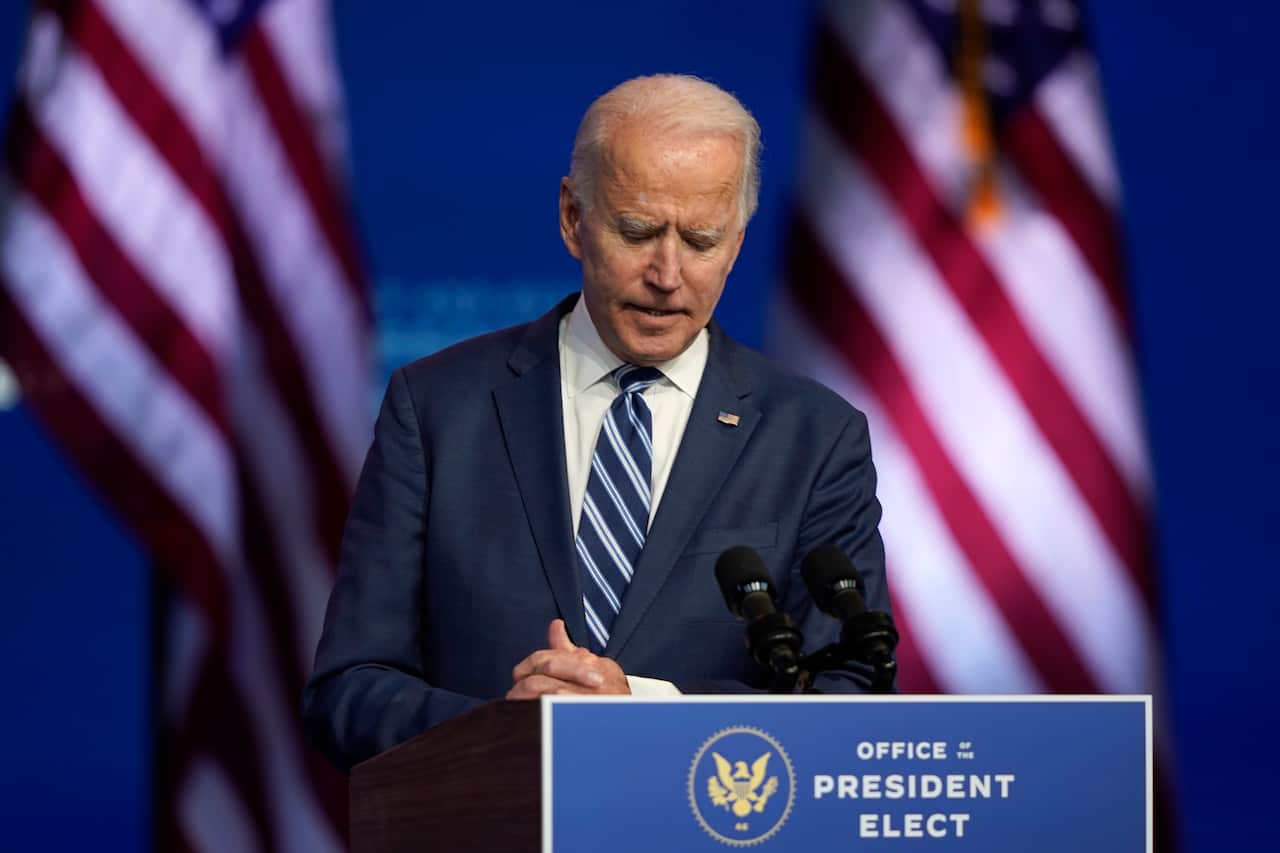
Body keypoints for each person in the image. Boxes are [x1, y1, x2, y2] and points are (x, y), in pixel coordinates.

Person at [302, 74, 890, 772]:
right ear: (573, 218)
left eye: (701, 240)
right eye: (638, 231)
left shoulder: (816, 439)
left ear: (736, 243)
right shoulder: (434, 410)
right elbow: (348, 692)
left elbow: (853, 695)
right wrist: (506, 727)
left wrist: (639, 706)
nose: (667, 273)